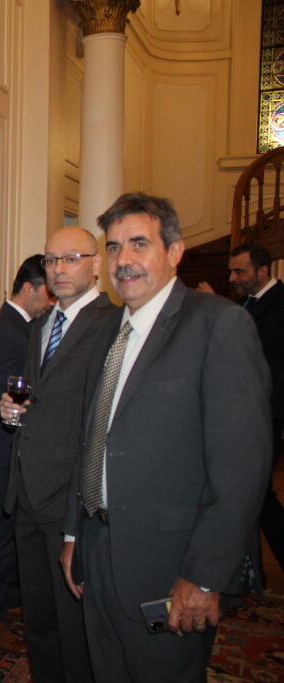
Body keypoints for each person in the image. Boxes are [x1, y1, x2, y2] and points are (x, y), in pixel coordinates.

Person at [60, 193, 271, 682]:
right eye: (114, 247)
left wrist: (204, 576)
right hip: (97, 549)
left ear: (175, 252)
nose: (123, 259)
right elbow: (92, 439)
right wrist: (74, 534)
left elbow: (241, 469)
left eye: (139, 243)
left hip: (170, 565)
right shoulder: (107, 331)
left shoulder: (219, 324)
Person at [0, 226, 114, 682]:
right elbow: (37, 400)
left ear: (96, 264)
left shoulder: (111, 325)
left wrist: (77, 518)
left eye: (71, 258)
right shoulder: (43, 324)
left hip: (71, 499)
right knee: (40, 622)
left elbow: (101, 426)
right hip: (28, 493)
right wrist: (13, 413)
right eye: (51, 260)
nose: (58, 269)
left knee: (76, 629)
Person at [0, 253, 49, 654]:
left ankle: (9, 599)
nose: (51, 301)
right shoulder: (4, 329)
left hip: (23, 447)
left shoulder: (27, 326)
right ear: (29, 288)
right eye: (47, 293)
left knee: (18, 529)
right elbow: (1, 395)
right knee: (1, 533)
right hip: (5, 447)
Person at [198, 242, 284, 572]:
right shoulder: (246, 301)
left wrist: (215, 305)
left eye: (240, 271)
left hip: (267, 413)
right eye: (231, 271)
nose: (233, 278)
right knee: (247, 492)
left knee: (258, 492)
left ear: (263, 271)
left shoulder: (280, 303)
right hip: (241, 412)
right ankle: (250, 574)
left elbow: (250, 343)